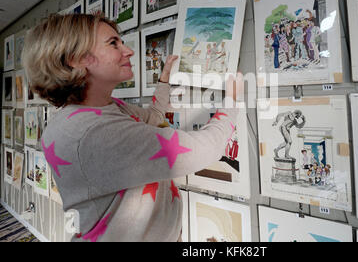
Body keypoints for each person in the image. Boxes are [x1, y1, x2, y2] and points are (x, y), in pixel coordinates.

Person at [22, 14, 243, 242]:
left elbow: (153, 117)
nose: (128, 51)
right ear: (75, 59)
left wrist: (165, 79)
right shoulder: (94, 133)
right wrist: (234, 102)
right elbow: (203, 151)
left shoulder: (97, 111)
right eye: (113, 43)